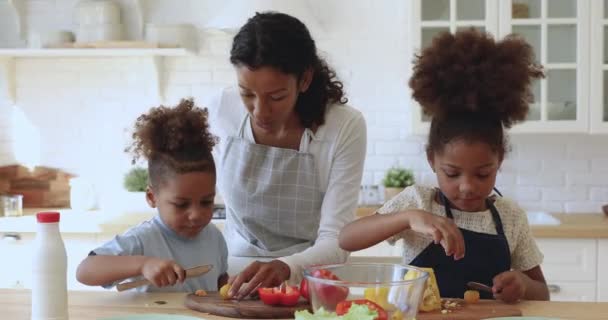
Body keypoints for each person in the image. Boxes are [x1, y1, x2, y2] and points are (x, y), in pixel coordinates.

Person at [339, 29, 549, 303]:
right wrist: (408, 217)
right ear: (431, 160)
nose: (467, 186)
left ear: (500, 161)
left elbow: (542, 292)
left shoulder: (510, 217)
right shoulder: (419, 202)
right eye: (452, 173)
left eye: (483, 173)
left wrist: (522, 284)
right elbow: (347, 238)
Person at [210, 11, 366, 299]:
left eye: (276, 97)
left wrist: (286, 267)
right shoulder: (223, 108)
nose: (260, 111)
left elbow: (337, 240)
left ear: (305, 80)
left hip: (313, 280)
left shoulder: (344, 126)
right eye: (247, 94)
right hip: (235, 277)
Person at [76, 99, 228, 292]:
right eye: (181, 204)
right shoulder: (143, 240)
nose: (197, 214)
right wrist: (143, 264)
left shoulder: (215, 237)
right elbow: (84, 271)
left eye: (206, 202)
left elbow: (221, 282)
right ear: (151, 197)